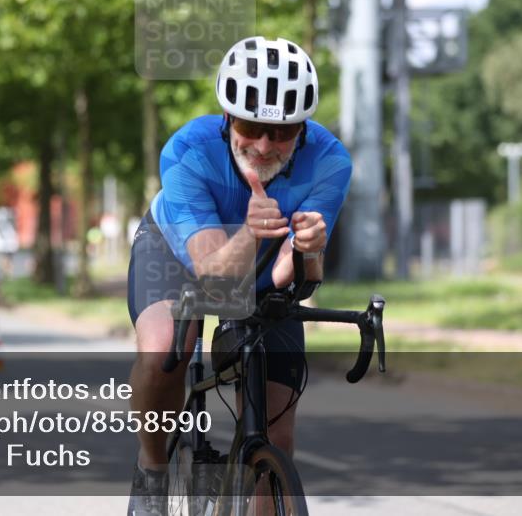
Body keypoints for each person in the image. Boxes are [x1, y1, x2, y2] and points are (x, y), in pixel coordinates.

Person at [126, 36, 352, 515]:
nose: (265, 145)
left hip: (264, 266)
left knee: (278, 434)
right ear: (228, 117)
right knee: (163, 349)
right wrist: (251, 233)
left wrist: (310, 248)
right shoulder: (188, 150)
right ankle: (151, 472)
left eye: (283, 131)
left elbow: (299, 277)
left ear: (303, 129)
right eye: (252, 126)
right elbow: (211, 273)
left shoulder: (331, 162)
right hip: (176, 255)